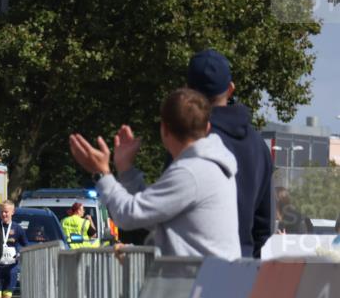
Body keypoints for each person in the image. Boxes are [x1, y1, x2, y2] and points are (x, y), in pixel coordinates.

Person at [69, 88, 241, 260]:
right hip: (211, 280)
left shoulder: (190, 173)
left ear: (164, 129)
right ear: (208, 127)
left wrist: (102, 174)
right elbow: (150, 214)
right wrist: (126, 170)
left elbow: (128, 215)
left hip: (196, 282)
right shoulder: (211, 164)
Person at [186, 48, 274, 257]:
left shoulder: (189, 139)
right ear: (230, 89)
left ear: (187, 92)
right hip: (242, 268)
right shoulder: (258, 145)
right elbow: (264, 224)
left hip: (194, 267)